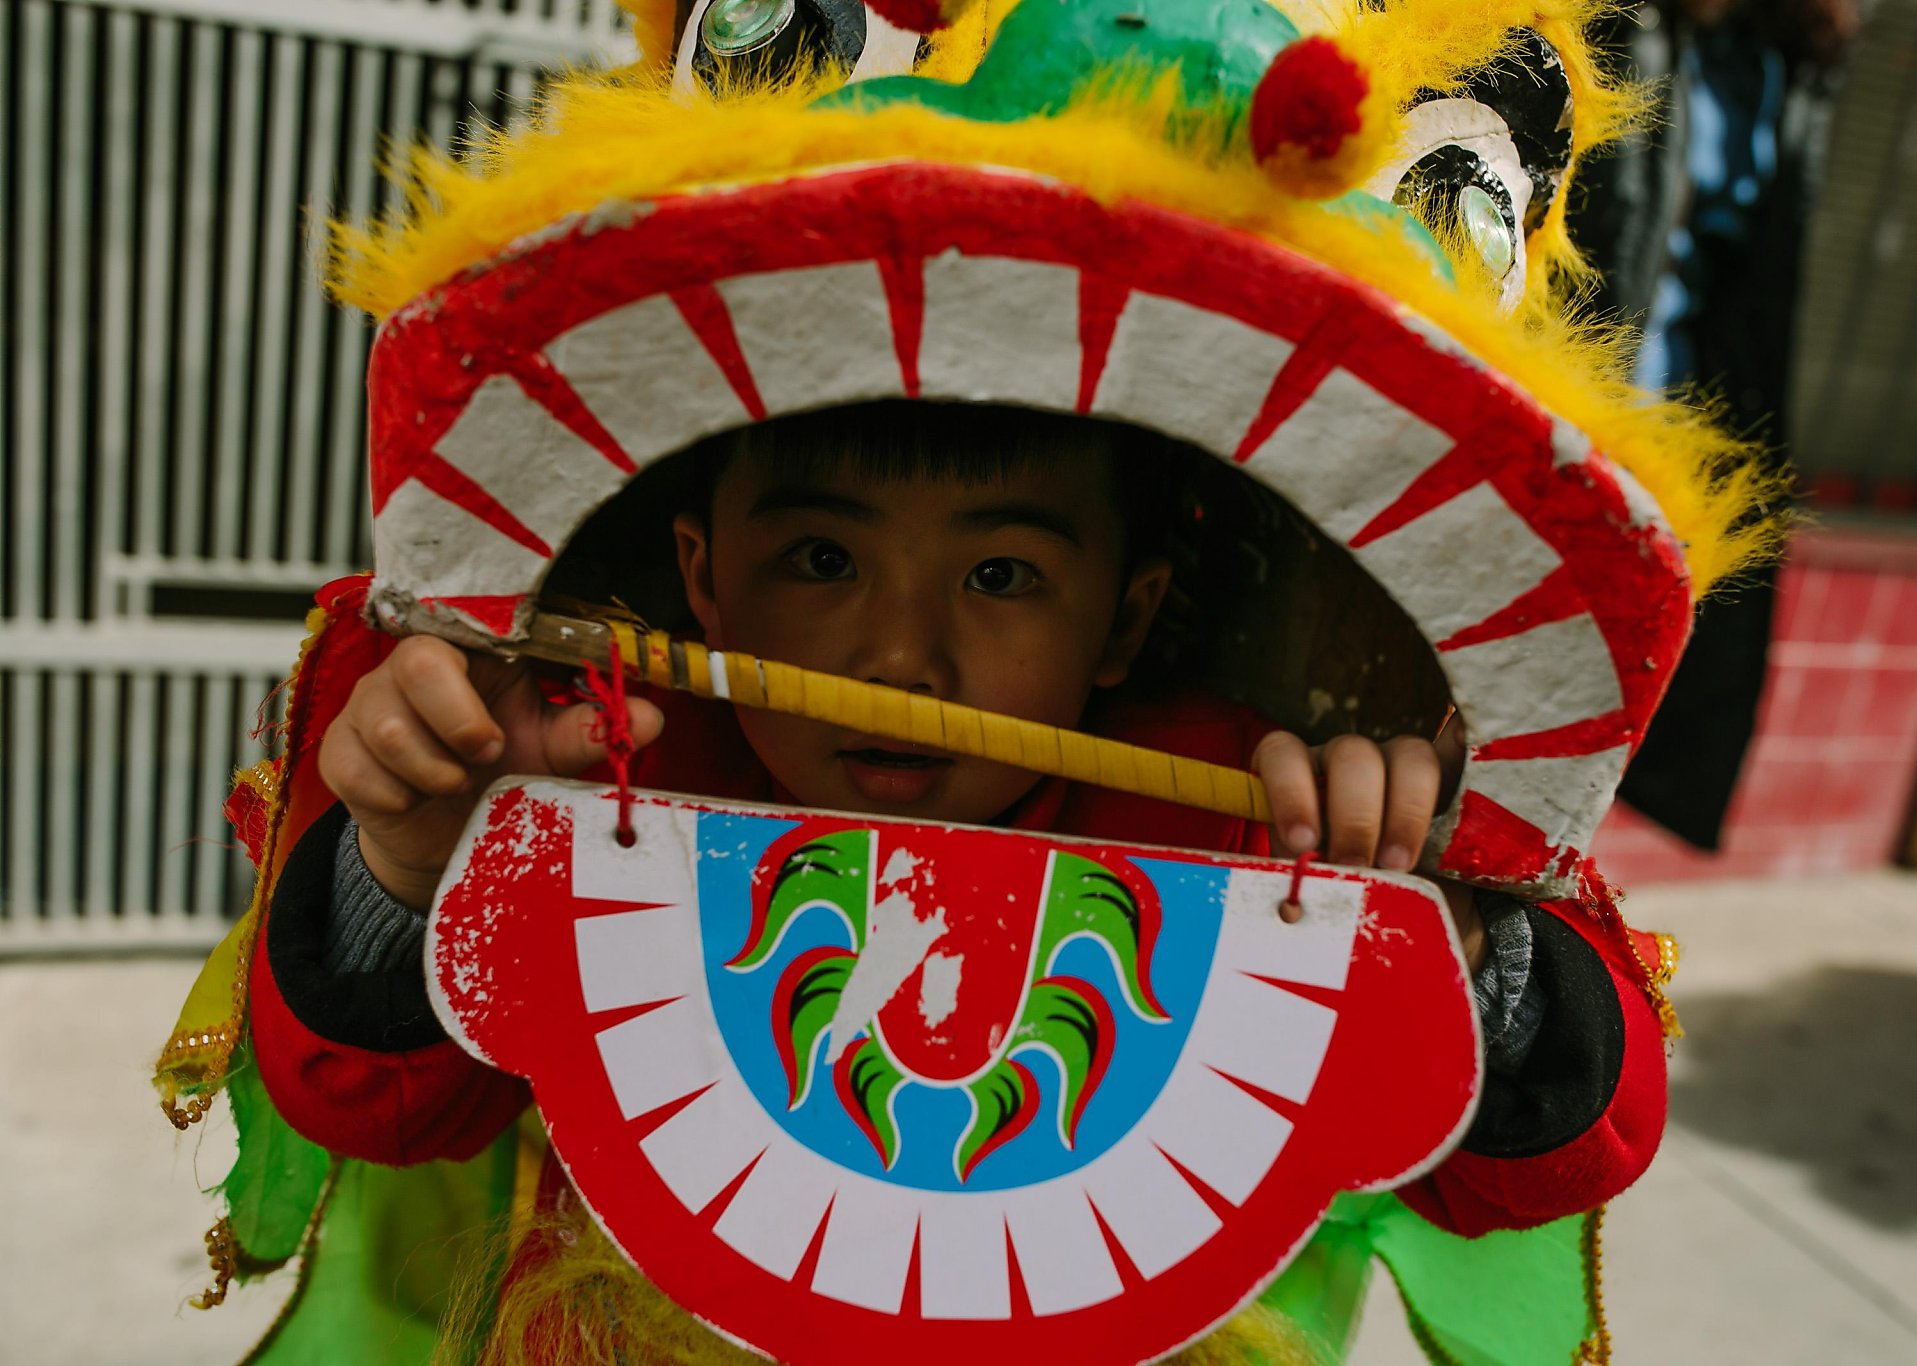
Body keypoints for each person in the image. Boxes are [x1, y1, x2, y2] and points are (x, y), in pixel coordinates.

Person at [156, 1, 1771, 1361]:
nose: (897, 659)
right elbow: (371, 1098)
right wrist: (406, 863)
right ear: (702, 571)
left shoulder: (1251, 805)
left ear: (1128, 618)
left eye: (1003, 576)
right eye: (819, 561)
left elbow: (1557, 1150)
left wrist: (1452, 935)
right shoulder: (586, 763)